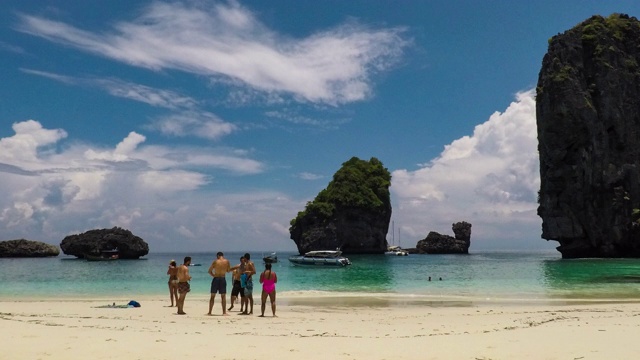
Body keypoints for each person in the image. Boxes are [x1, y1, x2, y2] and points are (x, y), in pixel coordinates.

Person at [207, 251, 231, 316]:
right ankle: (224, 312)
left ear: (217, 256)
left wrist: (213, 275)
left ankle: (210, 312)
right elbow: (228, 271)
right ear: (222, 255)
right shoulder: (227, 261)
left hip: (216, 278)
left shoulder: (215, 261)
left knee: (212, 296)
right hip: (223, 278)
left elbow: (209, 271)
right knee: (223, 296)